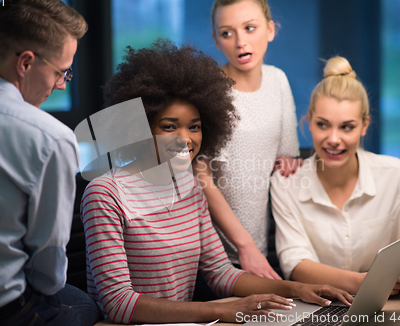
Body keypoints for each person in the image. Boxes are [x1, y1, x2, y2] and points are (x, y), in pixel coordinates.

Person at [81, 39, 352, 324]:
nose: (186, 139)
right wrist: (220, 311)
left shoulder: (188, 186)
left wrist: (297, 289)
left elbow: (221, 272)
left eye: (194, 127)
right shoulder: (106, 193)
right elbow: (118, 303)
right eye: (169, 126)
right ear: (142, 128)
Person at [0, 0, 103, 325]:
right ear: (26, 63)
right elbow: (47, 274)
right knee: (85, 304)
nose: (61, 85)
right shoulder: (49, 137)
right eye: (62, 71)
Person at [270, 56, 400, 295]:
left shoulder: (394, 174)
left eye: (346, 127)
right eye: (323, 125)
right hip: (320, 305)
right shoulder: (286, 183)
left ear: (364, 125)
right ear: (309, 122)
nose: (333, 139)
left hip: (391, 305)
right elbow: (296, 263)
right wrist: (360, 282)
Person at [194, 0, 302, 279]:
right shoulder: (210, 90)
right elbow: (199, 177)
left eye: (250, 28)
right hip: (212, 252)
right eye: (227, 33)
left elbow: (288, 157)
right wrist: (244, 245)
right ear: (217, 41)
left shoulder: (278, 80)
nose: (240, 42)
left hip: (264, 250)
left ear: (270, 29)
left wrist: (288, 161)